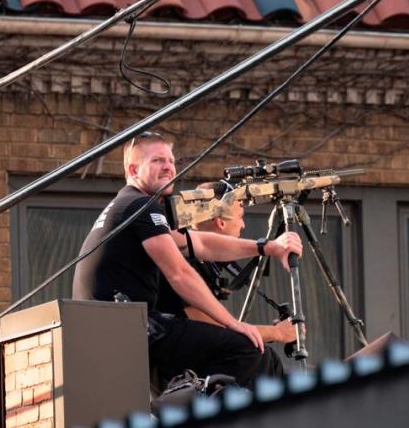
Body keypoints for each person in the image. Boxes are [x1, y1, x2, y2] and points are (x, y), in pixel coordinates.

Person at [72, 132, 302, 389]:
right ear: (134, 169)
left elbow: (199, 243)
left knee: (240, 352)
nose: (169, 167)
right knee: (245, 349)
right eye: (158, 160)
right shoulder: (139, 206)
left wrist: (266, 247)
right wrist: (233, 324)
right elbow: (180, 274)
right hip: (128, 329)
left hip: (119, 327)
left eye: (171, 160)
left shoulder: (131, 206)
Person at [155, 179, 297, 378]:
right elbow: (211, 327)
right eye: (241, 216)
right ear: (221, 222)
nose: (243, 224)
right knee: (254, 354)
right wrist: (278, 333)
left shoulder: (203, 261)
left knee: (264, 357)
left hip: (182, 358)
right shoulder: (185, 259)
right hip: (174, 364)